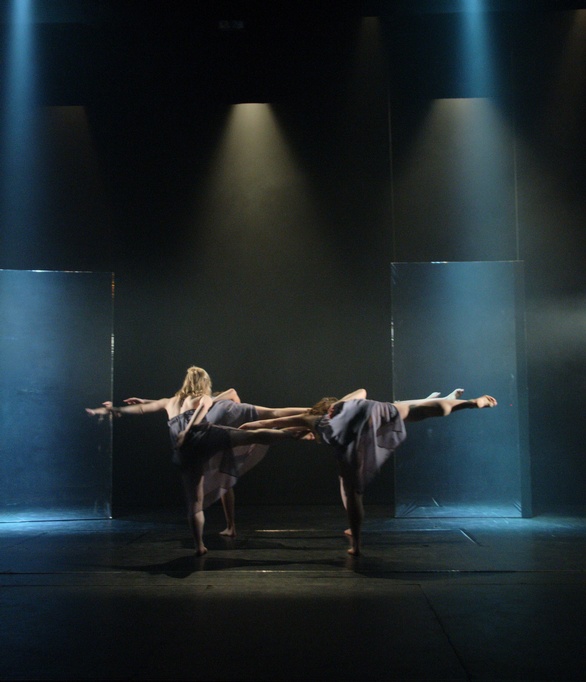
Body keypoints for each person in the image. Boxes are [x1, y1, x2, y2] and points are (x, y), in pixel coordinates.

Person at [240, 388, 497, 556]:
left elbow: (271, 421)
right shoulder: (339, 410)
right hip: (372, 413)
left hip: (347, 430)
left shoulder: (315, 419)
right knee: (415, 410)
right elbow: (364, 392)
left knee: (351, 489)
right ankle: (467, 403)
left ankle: (357, 543)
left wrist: (244, 429)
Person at [86, 366, 308, 556]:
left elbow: (142, 409)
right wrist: (189, 430)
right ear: (204, 384)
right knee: (251, 435)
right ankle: (294, 431)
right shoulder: (204, 398)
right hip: (204, 437)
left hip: (186, 451)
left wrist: (112, 409)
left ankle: (199, 545)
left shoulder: (169, 402)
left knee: (194, 501)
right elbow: (203, 407)